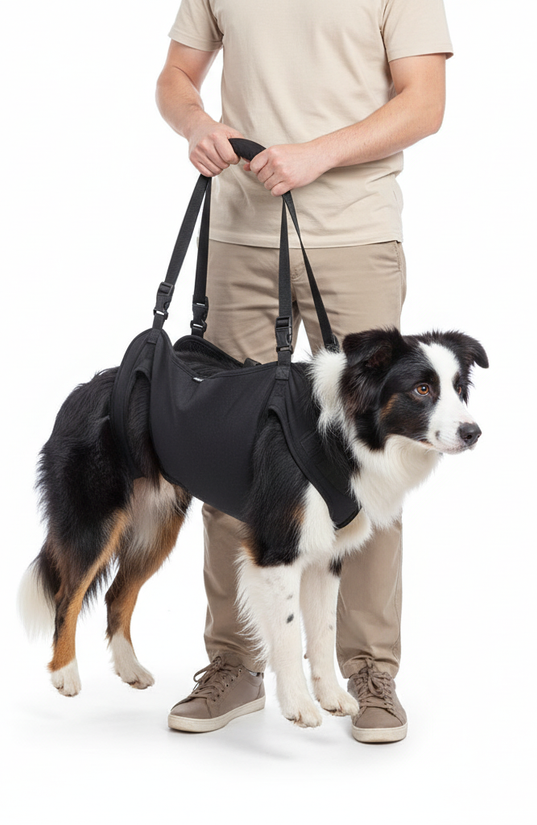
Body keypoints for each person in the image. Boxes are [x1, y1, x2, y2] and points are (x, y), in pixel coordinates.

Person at [156, 0, 453, 742]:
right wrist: (197, 124)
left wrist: (318, 153)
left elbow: (425, 102)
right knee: (228, 455)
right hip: (240, 234)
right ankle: (235, 661)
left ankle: (368, 669)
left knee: (378, 462)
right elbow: (175, 77)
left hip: (354, 233)